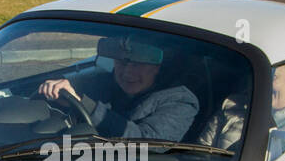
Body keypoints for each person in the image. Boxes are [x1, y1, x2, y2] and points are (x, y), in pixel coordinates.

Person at [37, 34, 199, 141]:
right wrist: (57, 95)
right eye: (122, 62)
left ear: (157, 67)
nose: (127, 71)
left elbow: (146, 144)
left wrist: (88, 106)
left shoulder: (181, 101)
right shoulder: (101, 83)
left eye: (138, 64)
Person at [196, 60, 285, 151]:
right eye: (257, 75)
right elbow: (201, 153)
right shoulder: (232, 106)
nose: (259, 84)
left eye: (272, 77)